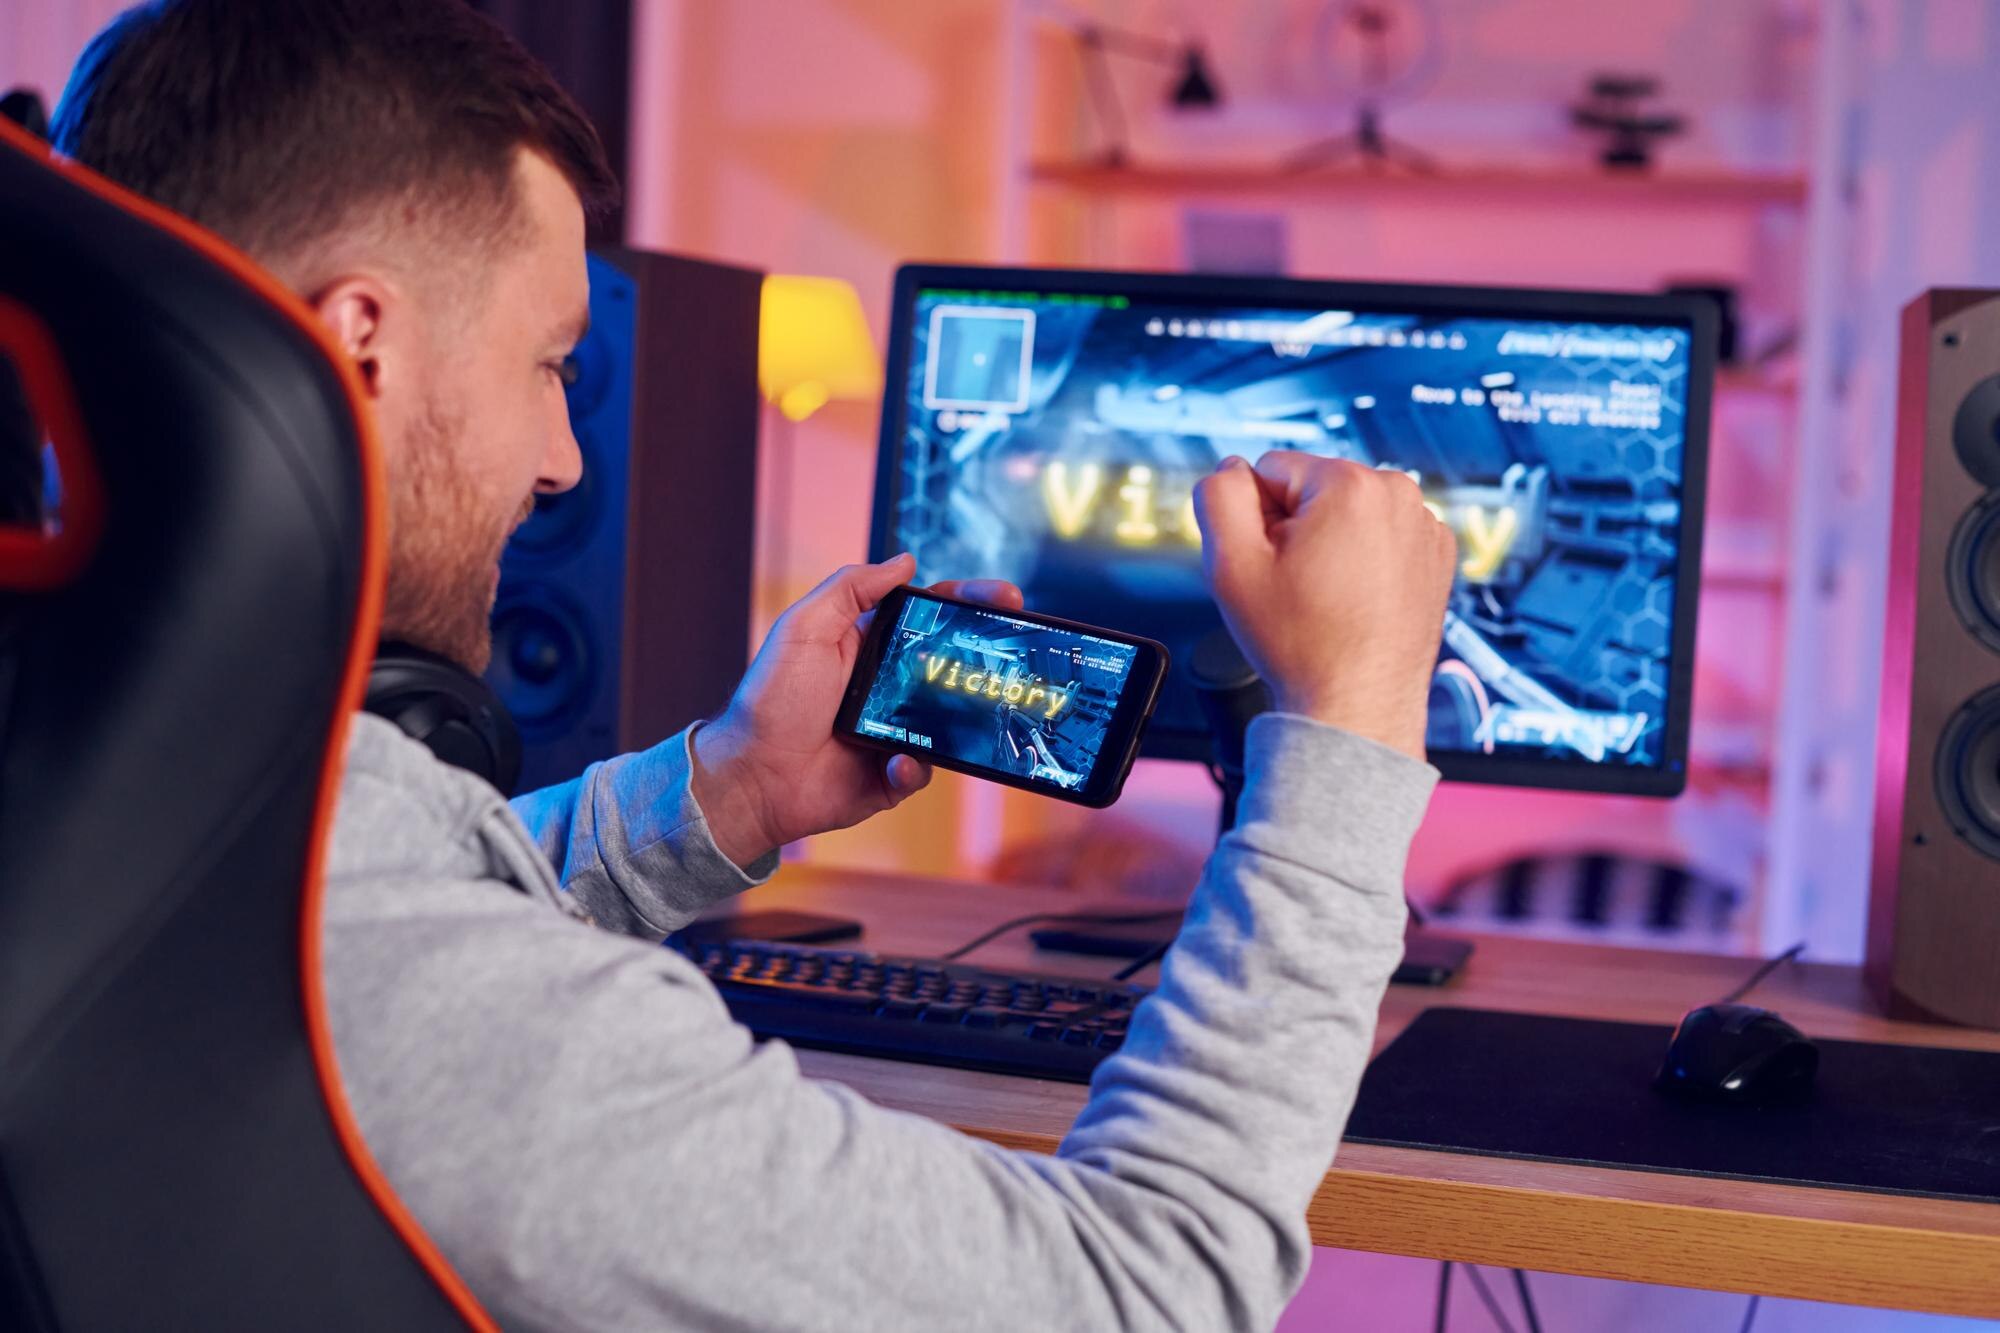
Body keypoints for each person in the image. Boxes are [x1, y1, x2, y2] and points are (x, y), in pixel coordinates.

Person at [52, 2, 1458, 1328]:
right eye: (550, 364)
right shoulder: (412, 989)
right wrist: (1353, 721)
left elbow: (384, 912)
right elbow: (1144, 1287)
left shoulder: (119, 776)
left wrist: (725, 790)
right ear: (361, 343)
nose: (566, 457)